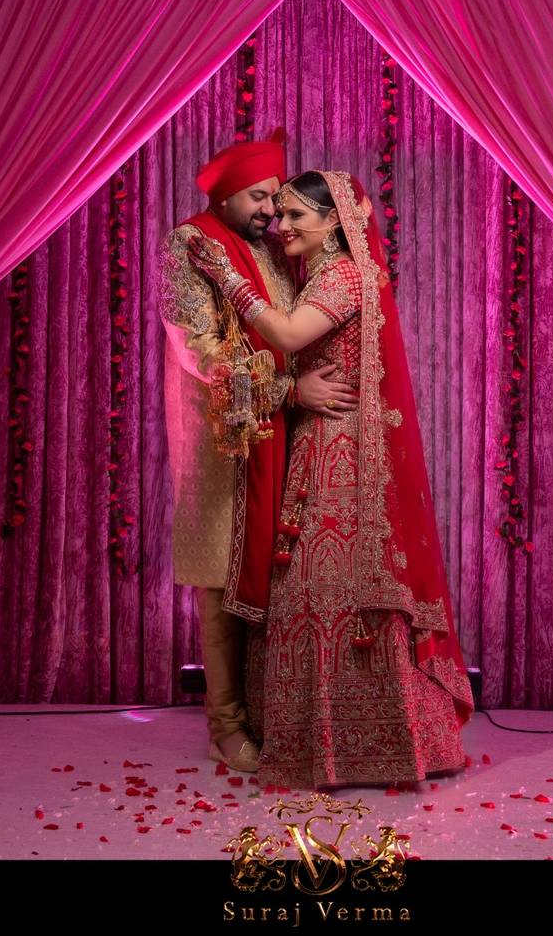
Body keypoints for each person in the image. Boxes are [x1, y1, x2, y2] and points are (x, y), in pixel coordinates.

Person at [188, 169, 473, 788]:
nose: (280, 225)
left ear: (333, 222)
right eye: (278, 213)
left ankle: (367, 743)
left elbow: (289, 334)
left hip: (346, 457)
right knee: (309, 591)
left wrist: (229, 281)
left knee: (330, 589)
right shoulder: (318, 275)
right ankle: (320, 741)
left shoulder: (345, 274)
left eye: (294, 215)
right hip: (318, 442)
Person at [158, 136, 359, 773]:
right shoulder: (188, 245)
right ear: (224, 196)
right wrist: (285, 389)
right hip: (220, 434)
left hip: (279, 427)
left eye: (277, 195)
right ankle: (225, 724)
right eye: (259, 196)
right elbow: (200, 354)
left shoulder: (267, 248)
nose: (272, 209)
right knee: (221, 577)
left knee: (275, 570)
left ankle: (273, 713)